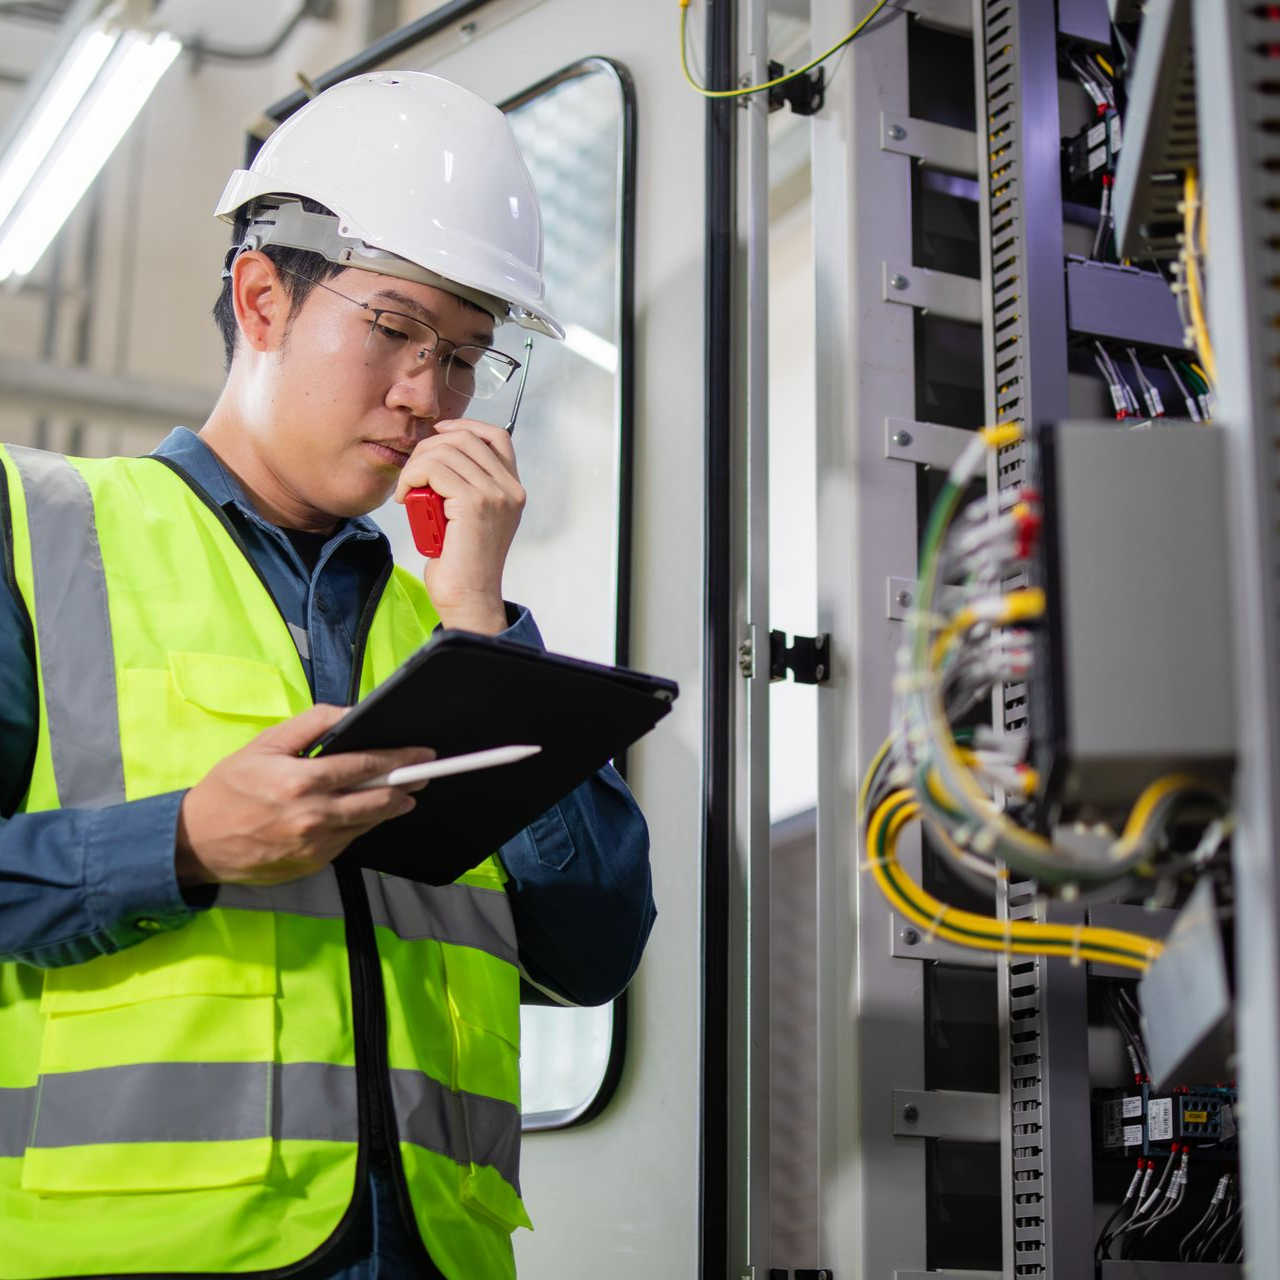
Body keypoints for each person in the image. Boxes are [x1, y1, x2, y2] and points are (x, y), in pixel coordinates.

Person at [0, 71, 654, 1279]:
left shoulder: (449, 622)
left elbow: (592, 947)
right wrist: (183, 841)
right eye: (395, 330)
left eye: (464, 355)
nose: (428, 395)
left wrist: (479, 616)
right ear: (262, 298)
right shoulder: (37, 533)